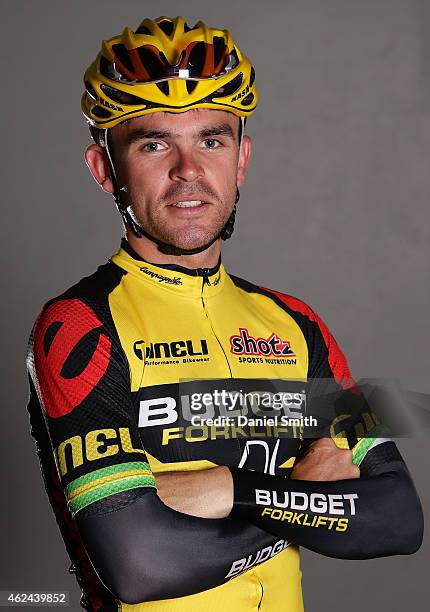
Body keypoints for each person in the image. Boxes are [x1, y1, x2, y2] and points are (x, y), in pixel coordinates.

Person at [26, 15, 423, 612]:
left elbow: (398, 518)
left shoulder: (299, 325)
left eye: (211, 139)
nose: (189, 170)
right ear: (105, 169)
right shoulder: (78, 327)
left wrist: (227, 491)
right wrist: (298, 497)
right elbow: (141, 562)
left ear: (241, 160)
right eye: (154, 143)